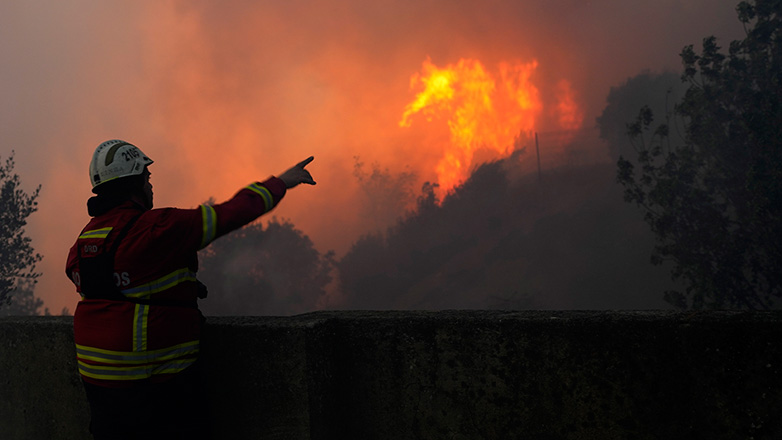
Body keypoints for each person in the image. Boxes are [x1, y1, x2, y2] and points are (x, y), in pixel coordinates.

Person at [66, 139, 315, 439]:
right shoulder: (159, 227)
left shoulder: (85, 241)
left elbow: (118, 285)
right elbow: (231, 213)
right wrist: (282, 182)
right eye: (147, 177)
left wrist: (178, 285)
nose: (151, 185)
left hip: (102, 395)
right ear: (135, 183)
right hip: (158, 390)